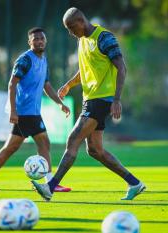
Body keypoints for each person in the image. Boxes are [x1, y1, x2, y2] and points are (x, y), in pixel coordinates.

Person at [31, 8, 145, 201]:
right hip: (91, 99)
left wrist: (117, 99)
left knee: (72, 140)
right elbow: (85, 69)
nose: (70, 32)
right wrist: (69, 84)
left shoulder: (104, 38)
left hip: (101, 100)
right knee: (94, 150)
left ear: (80, 21)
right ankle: (134, 183)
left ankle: (50, 187)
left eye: (71, 27)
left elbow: (121, 67)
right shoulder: (82, 39)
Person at [0, 27, 71, 193]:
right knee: (32, 144)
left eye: (41, 38)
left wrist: (59, 103)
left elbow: (46, 85)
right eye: (35, 39)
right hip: (24, 112)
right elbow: (12, 84)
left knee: (22, 146)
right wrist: (13, 111)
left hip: (32, 113)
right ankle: (49, 183)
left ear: (46, 40)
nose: (39, 41)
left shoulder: (44, 59)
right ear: (30, 42)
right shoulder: (25, 59)